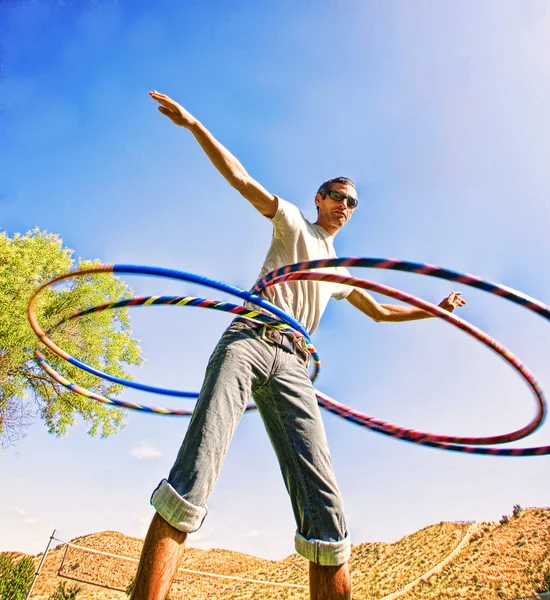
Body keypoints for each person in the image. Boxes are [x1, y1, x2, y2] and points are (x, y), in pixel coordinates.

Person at [130, 91, 466, 600]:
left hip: (295, 364)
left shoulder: (340, 272)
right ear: (318, 198)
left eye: (353, 201)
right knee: (196, 468)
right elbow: (241, 179)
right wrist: (195, 124)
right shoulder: (291, 222)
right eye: (337, 194)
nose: (345, 205)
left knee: (324, 501)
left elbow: (381, 310)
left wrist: (436, 309)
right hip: (248, 338)